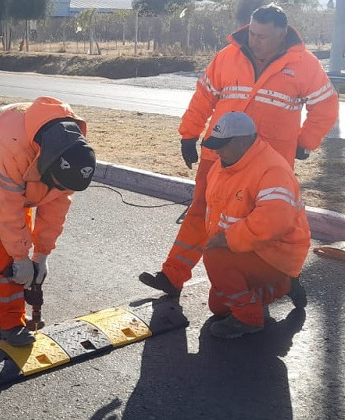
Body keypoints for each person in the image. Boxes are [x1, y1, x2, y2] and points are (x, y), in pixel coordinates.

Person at [139, 3, 338, 301]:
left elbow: (325, 106)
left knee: (271, 226)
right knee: (200, 214)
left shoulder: (305, 64)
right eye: (253, 33)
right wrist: (189, 134)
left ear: (282, 34)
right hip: (219, 157)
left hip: (269, 164)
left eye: (263, 37)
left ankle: (284, 278)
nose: (254, 41)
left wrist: (305, 141)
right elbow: (203, 96)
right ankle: (172, 275)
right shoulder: (227, 56)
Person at [0, 97, 97, 346]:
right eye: (57, 184)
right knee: (7, 247)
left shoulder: (70, 152)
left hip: (26, 159)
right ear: (46, 166)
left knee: (20, 245)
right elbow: (7, 210)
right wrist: (20, 257)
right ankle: (8, 320)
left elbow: (56, 204)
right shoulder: (11, 148)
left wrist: (42, 255)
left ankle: (7, 308)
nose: (60, 190)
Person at [195, 112, 310, 338]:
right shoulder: (223, 165)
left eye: (222, 145)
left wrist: (225, 240)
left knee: (215, 257)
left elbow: (272, 224)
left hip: (277, 251)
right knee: (217, 307)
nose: (217, 151)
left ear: (242, 141)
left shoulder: (273, 170)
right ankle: (283, 285)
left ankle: (250, 319)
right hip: (249, 247)